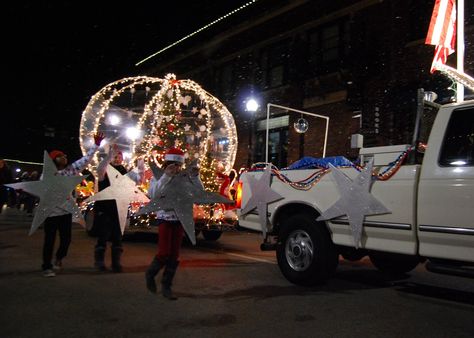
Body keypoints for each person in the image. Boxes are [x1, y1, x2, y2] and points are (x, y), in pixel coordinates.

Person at [41, 133, 104, 277]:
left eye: (64, 155)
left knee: (66, 240)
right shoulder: (46, 175)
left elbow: (85, 160)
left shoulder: (70, 171)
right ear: (53, 160)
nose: (65, 157)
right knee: (49, 240)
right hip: (50, 213)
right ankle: (46, 266)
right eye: (60, 156)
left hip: (65, 212)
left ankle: (59, 258)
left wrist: (96, 145)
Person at [145, 147, 202, 300]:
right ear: (167, 163)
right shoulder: (159, 176)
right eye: (173, 165)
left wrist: (196, 177)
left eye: (178, 165)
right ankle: (150, 274)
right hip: (165, 218)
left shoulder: (184, 177)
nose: (176, 168)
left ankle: (166, 286)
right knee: (164, 252)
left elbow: (198, 194)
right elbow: (152, 194)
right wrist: (166, 176)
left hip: (180, 218)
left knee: (174, 255)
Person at [92, 144, 144, 272]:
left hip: (118, 209)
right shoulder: (105, 169)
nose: (117, 158)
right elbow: (100, 170)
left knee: (117, 237)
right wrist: (109, 155)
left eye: (119, 156)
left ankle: (116, 263)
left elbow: (139, 180)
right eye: (115, 156)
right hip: (104, 208)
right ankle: (99, 262)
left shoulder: (125, 172)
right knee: (103, 236)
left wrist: (141, 159)